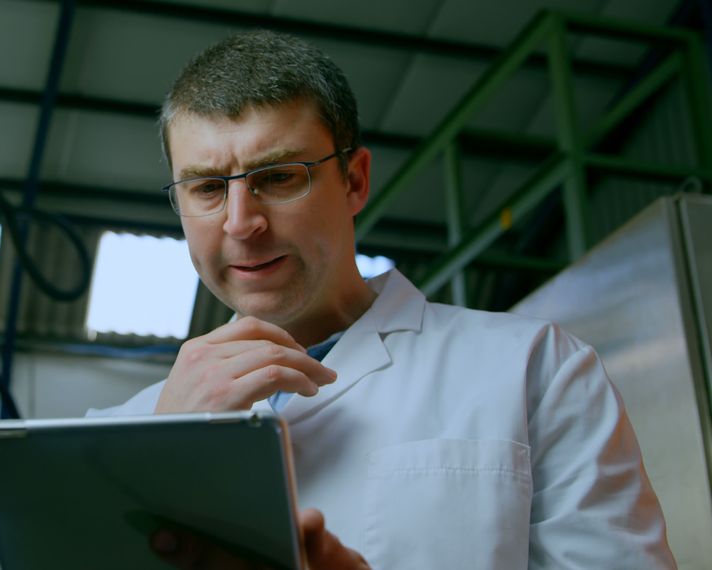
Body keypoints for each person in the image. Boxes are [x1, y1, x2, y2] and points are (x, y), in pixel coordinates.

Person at [90, 29, 675, 569]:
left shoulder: (534, 369)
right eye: (208, 188)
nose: (241, 224)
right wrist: (160, 454)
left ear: (354, 180)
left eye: (279, 176)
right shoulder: (114, 434)